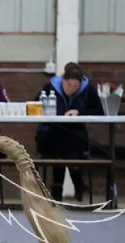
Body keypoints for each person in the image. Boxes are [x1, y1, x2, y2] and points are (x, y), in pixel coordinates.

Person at [35, 62, 104, 202]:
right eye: (68, 84)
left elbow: (99, 111)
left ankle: (57, 189)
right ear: (62, 79)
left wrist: (79, 112)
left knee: (67, 140)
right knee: (62, 139)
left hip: (74, 136)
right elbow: (36, 106)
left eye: (75, 86)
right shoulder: (50, 88)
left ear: (80, 85)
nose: (71, 89)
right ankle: (77, 181)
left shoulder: (88, 90)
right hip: (51, 133)